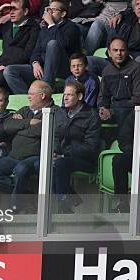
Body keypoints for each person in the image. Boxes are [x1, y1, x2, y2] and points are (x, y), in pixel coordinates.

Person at [0, 80, 59, 213]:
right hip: (13, 155)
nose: (28, 97)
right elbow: (7, 126)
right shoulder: (25, 110)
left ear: (42, 96)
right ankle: (28, 196)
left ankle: (15, 208)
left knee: (20, 169)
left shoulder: (55, 112)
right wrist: (29, 122)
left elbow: (41, 130)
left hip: (35, 156)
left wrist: (20, 126)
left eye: (31, 94)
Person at [3, 0, 80, 93]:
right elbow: (36, 51)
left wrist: (51, 24)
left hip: (62, 68)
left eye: (53, 10)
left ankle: (46, 88)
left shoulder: (71, 27)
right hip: (43, 67)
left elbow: (62, 44)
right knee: (9, 71)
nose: (49, 13)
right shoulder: (45, 29)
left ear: (63, 14)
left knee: (52, 44)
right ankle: (29, 100)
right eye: (48, 10)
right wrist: (35, 63)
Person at [52, 80, 102, 213]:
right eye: (64, 95)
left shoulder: (91, 115)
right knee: (44, 164)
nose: (65, 98)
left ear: (79, 97)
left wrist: (64, 153)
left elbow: (91, 148)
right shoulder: (60, 113)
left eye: (69, 95)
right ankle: (72, 199)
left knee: (60, 164)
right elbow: (55, 137)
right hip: (62, 157)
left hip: (85, 160)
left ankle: (63, 206)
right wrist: (54, 151)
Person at [97, 37, 140, 127]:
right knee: (88, 116)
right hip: (113, 110)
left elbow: (138, 99)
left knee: (125, 115)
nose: (119, 53)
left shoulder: (137, 68)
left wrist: (113, 111)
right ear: (109, 53)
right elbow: (103, 96)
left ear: (127, 51)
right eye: (115, 50)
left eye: (122, 50)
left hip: (130, 111)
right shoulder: (107, 71)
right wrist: (102, 109)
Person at [112, 109, 134, 212]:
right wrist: (135, 152)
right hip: (136, 156)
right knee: (118, 160)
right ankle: (122, 202)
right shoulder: (136, 113)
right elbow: (124, 138)